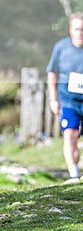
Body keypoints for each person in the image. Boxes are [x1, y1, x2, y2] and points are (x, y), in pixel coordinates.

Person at [46, 13, 83, 180]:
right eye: (77, 29)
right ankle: (74, 173)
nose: (80, 33)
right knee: (70, 134)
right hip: (68, 100)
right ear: (70, 30)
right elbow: (52, 73)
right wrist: (53, 99)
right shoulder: (60, 48)